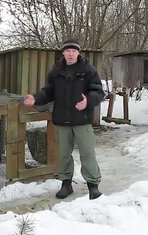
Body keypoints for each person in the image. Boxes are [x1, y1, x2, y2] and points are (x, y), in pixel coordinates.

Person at [23, 39, 104, 200]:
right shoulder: (56, 70)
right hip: (62, 120)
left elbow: (98, 91)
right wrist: (36, 99)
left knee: (87, 153)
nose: (71, 53)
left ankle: (93, 185)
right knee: (63, 155)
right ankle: (66, 184)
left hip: (82, 119)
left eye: (74, 51)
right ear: (63, 53)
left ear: (78, 52)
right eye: (68, 51)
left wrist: (88, 101)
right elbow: (48, 92)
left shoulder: (87, 70)